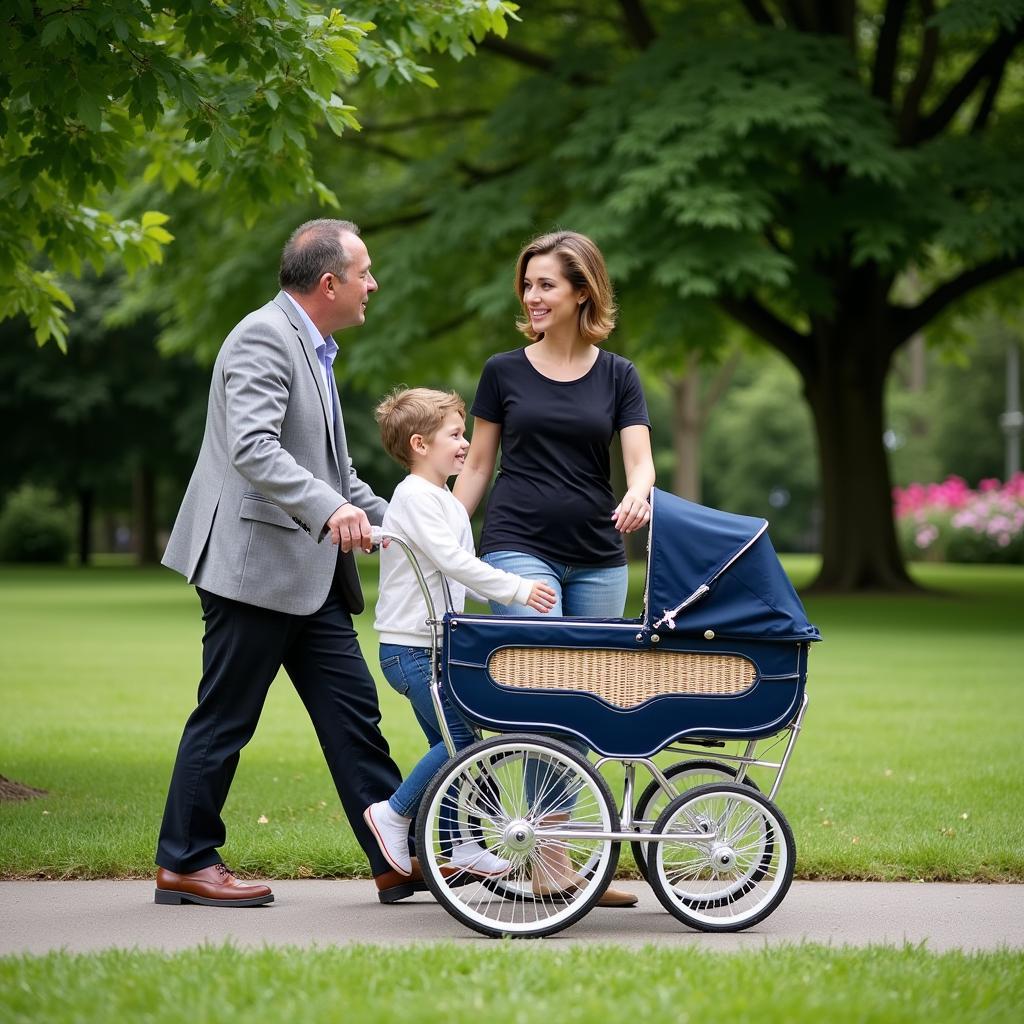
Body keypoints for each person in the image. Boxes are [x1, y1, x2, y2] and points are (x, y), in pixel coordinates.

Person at [154, 219, 415, 907]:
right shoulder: (262, 337)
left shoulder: (315, 349)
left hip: (308, 575)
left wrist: (417, 527)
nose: (373, 285)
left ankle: (396, 857)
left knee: (355, 717)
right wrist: (331, 512)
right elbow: (252, 447)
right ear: (329, 283)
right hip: (252, 568)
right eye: (365, 272)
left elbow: (339, 475)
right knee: (227, 716)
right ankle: (185, 861)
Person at [453, 229, 656, 908]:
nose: (533, 296)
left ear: (582, 292)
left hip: (600, 559)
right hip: (517, 546)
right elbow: (478, 464)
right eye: (528, 284)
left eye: (547, 285)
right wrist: (445, 538)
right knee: (537, 698)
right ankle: (557, 863)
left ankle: (557, 857)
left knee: (584, 708)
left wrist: (638, 491)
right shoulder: (502, 372)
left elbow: (639, 460)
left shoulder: (619, 375)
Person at [364, 387, 557, 879]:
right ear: (419, 445)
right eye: (454, 434)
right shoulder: (414, 497)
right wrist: (517, 589)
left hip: (433, 648)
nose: (466, 442)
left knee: (456, 752)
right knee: (463, 745)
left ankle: (458, 844)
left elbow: (451, 580)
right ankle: (392, 814)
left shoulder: (444, 500)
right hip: (410, 651)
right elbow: (457, 564)